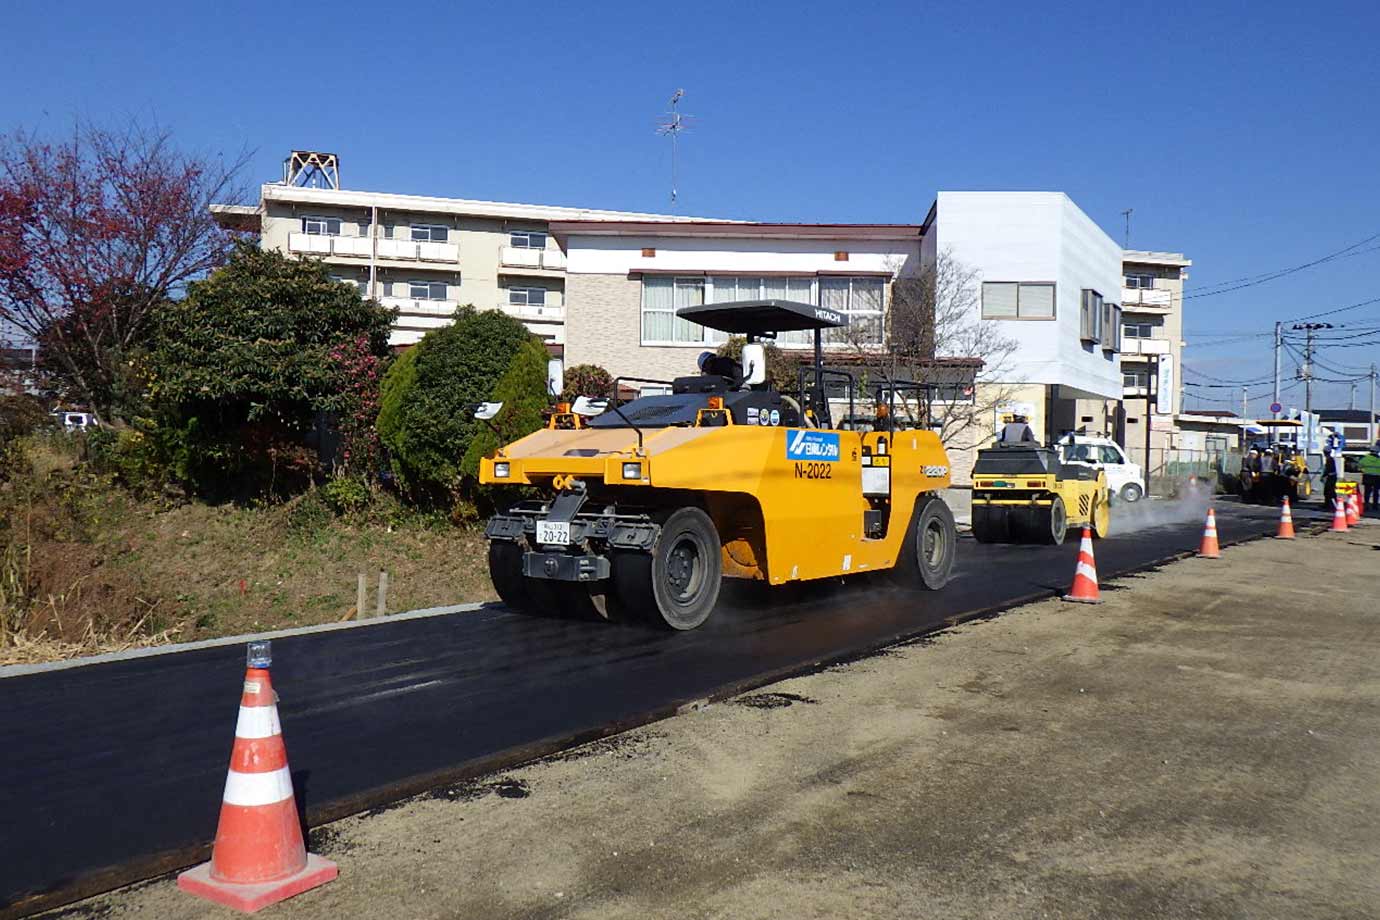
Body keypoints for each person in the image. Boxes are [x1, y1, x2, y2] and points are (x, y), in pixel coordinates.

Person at [1360, 444, 1380, 510]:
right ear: (1377, 452)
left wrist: (1363, 470)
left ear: (1371, 451)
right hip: (1377, 477)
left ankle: (1366, 505)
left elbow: (1359, 465)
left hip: (1367, 476)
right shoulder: (1379, 460)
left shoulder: (1365, 459)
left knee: (1367, 492)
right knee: (1376, 492)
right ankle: (1375, 505)